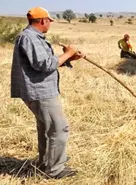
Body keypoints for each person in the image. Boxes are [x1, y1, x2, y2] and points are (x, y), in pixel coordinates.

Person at [11, 7, 84, 179]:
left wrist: (69, 57)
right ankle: (55, 170)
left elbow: (45, 63)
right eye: (49, 21)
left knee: (45, 128)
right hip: (40, 91)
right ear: (43, 21)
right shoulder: (29, 38)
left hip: (39, 90)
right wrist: (68, 53)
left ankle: (46, 162)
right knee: (60, 128)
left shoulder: (32, 37)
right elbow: (44, 65)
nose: (49, 24)